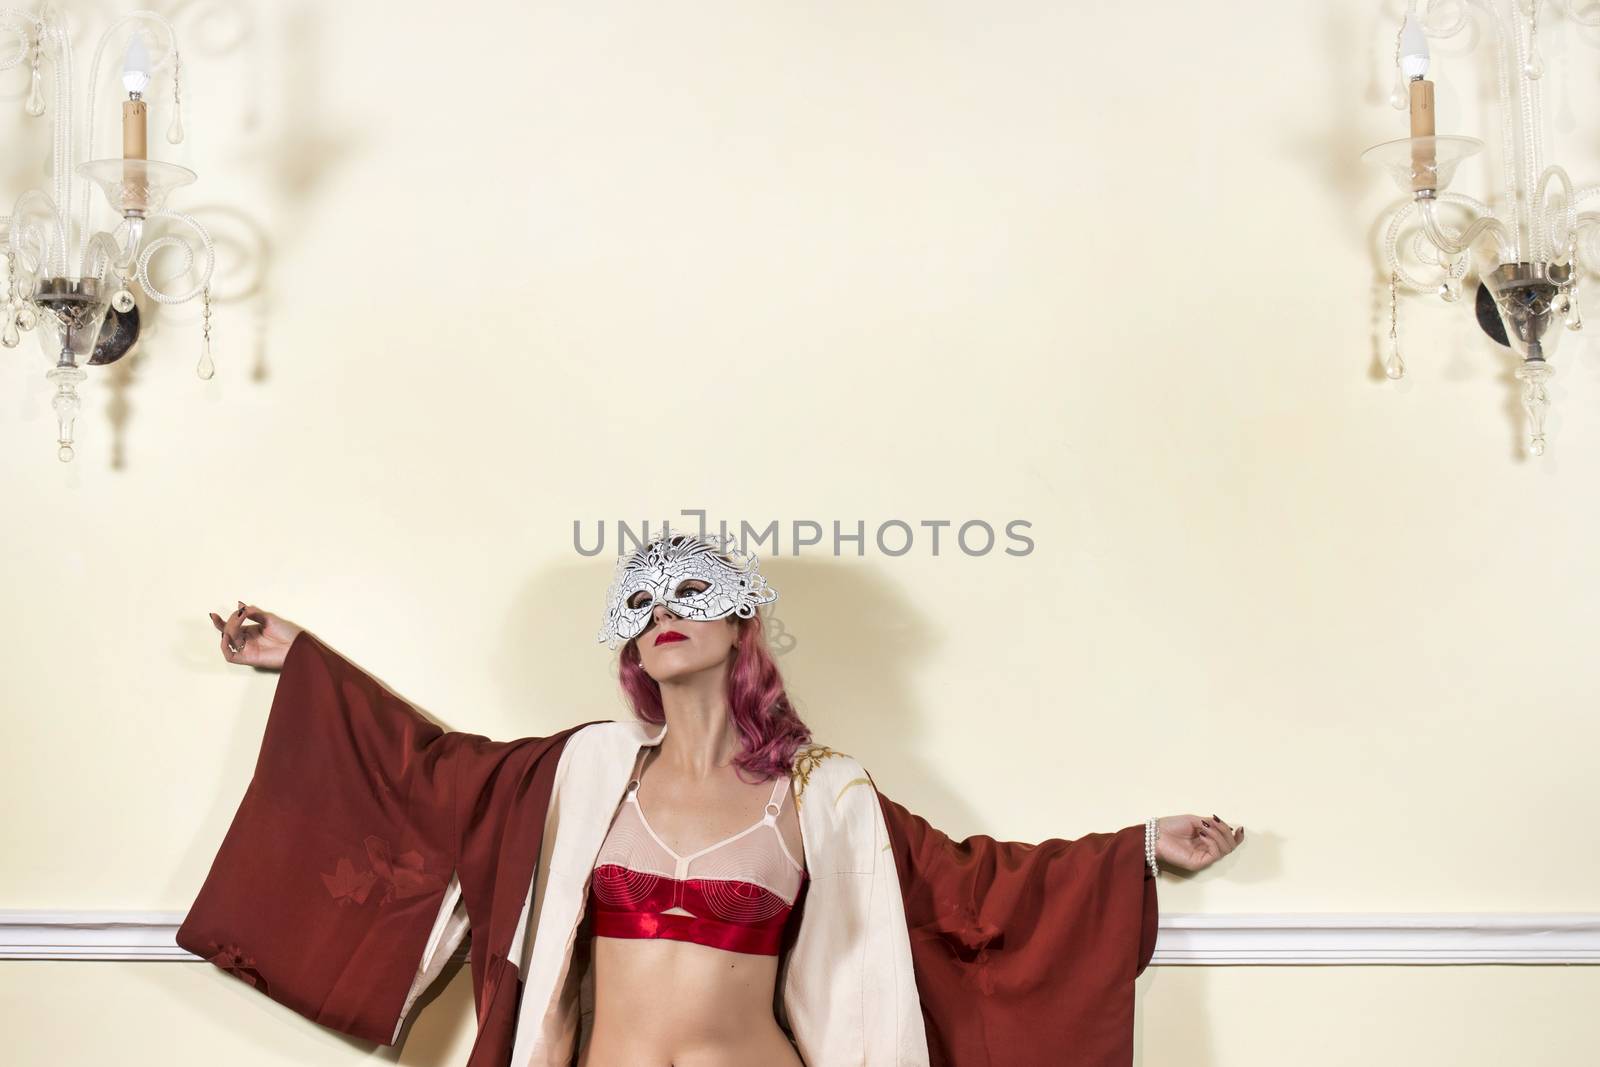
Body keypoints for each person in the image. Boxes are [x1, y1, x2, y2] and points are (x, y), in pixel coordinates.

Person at [187, 530, 1244, 1066]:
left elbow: (969, 889)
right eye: (644, 601)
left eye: (692, 592)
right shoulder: (584, 772)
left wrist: (1139, 846)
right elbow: (429, 770)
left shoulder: (821, 791)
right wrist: (304, 661)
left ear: (742, 626)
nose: (665, 611)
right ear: (632, 642)